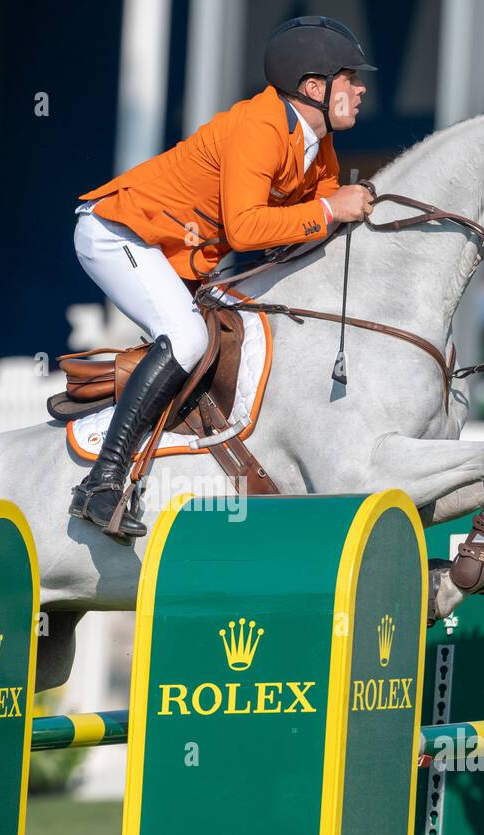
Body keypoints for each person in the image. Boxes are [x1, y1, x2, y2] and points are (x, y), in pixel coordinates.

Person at [69, 15, 375, 542]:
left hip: (176, 254)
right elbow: (249, 225)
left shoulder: (316, 143)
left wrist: (339, 213)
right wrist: (331, 209)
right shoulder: (260, 128)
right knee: (186, 337)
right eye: (350, 77)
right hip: (118, 233)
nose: (361, 87)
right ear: (313, 87)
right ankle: (102, 482)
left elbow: (310, 233)